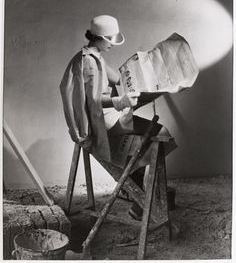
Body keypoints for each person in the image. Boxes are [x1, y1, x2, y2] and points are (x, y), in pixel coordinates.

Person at [60, 15, 177, 220]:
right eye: (110, 40)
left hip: (107, 116)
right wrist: (120, 101)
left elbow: (118, 78)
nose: (112, 45)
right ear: (100, 38)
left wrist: (145, 69)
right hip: (102, 121)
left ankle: (138, 190)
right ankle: (141, 201)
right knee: (162, 134)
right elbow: (93, 101)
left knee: (146, 144)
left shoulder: (88, 55)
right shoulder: (90, 63)